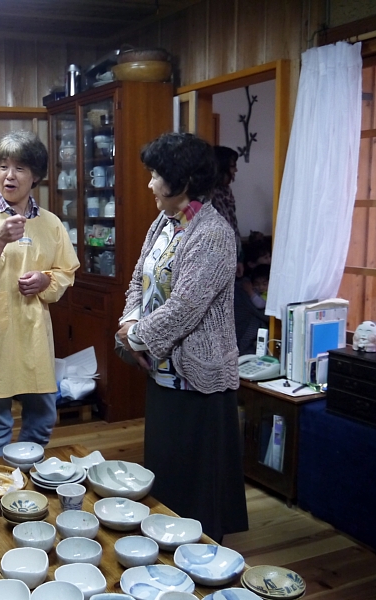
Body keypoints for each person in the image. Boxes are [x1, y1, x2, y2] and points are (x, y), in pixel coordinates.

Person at [115, 132, 248, 543]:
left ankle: (200, 557)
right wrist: (128, 323)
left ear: (184, 181)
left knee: (196, 486)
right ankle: (167, 551)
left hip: (197, 381)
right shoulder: (165, 222)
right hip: (162, 371)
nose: (150, 184)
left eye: (157, 176)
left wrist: (135, 337)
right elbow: (138, 281)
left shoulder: (213, 233)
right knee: (166, 474)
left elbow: (185, 307)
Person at [0, 130, 80, 457]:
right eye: (2, 167)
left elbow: (66, 272)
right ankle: (0, 482)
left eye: (19, 168)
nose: (9, 176)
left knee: (43, 416)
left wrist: (45, 281)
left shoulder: (50, 223)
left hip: (32, 336)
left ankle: (20, 474)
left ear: (35, 175)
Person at [209, 145, 242, 267]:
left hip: (231, 256)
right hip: (215, 260)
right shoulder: (208, 196)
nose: (236, 170)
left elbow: (233, 226)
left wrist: (239, 258)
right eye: (232, 166)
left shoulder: (226, 192)